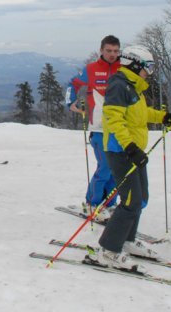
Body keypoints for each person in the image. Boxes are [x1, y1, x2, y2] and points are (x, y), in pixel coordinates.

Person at [87, 45, 171, 272]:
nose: (151, 72)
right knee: (130, 201)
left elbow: (141, 114)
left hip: (133, 150)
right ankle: (108, 251)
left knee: (141, 198)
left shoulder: (132, 86)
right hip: (121, 151)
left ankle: (126, 240)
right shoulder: (119, 86)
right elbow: (114, 119)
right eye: (149, 67)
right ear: (135, 64)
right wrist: (130, 147)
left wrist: (164, 116)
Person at [69, 35, 122, 217]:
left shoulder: (123, 69)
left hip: (119, 128)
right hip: (98, 127)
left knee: (116, 169)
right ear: (101, 50)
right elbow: (74, 83)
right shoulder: (91, 69)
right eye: (108, 51)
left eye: (116, 51)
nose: (112, 54)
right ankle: (92, 203)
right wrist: (71, 103)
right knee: (104, 167)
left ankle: (110, 203)